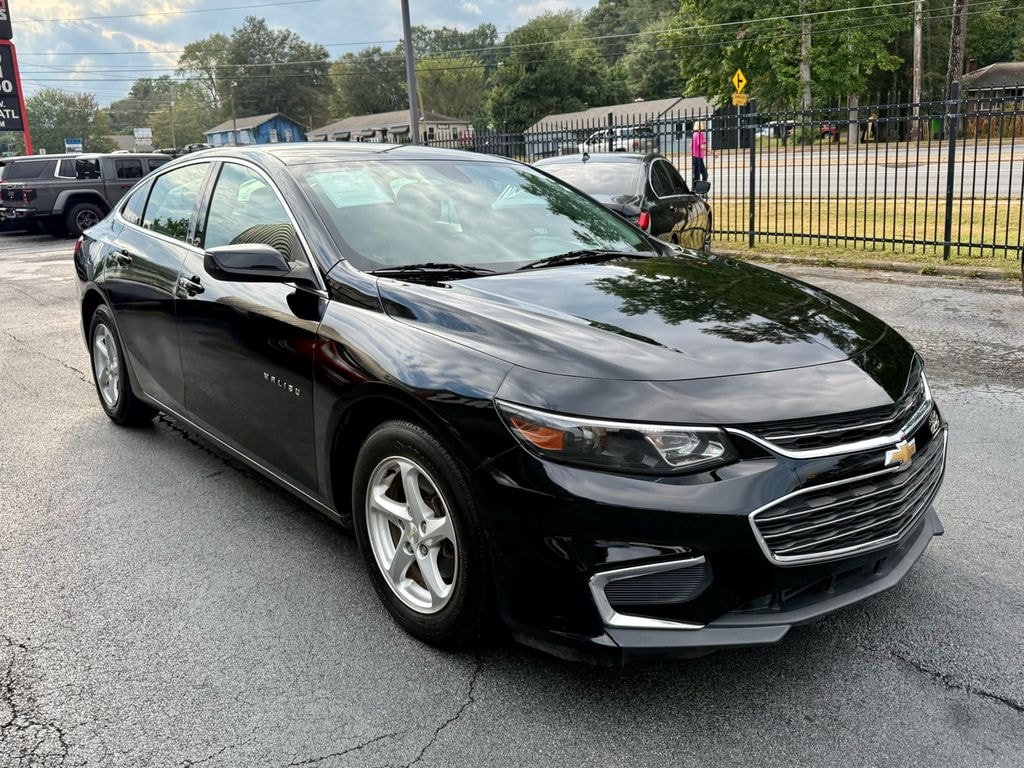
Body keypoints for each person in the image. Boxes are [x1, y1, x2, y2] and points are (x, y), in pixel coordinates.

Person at [691, 122, 709, 187]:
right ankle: (698, 190)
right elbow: (702, 146)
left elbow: (690, 146)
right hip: (697, 157)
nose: (704, 125)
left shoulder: (694, 134)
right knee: (701, 175)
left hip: (696, 157)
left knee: (699, 175)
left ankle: (698, 190)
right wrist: (712, 152)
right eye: (703, 124)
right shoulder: (699, 134)